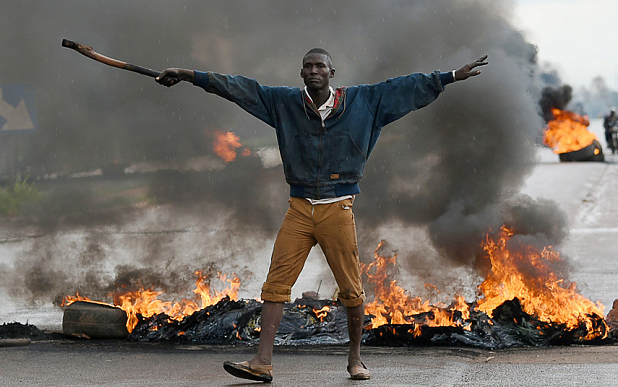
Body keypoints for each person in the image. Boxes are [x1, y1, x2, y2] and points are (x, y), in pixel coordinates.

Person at [155, 49, 488, 382]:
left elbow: (407, 88)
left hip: (338, 208)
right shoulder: (283, 103)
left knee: (351, 290)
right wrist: (187, 74)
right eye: (308, 66)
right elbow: (238, 88)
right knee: (275, 285)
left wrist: (451, 76)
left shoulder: (364, 102)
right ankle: (262, 362)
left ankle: (356, 359)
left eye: (320, 66)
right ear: (301, 73)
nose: (314, 71)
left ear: (332, 72)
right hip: (299, 208)